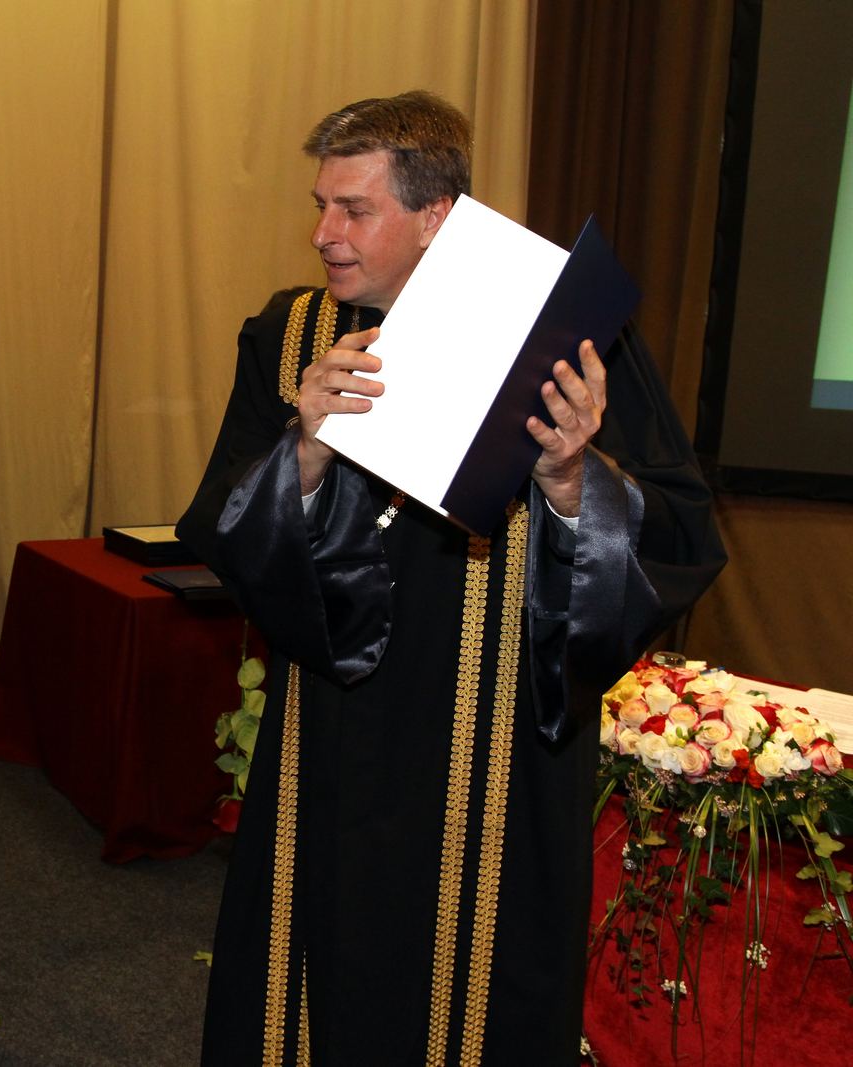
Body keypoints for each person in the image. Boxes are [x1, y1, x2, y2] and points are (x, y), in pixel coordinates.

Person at [177, 91, 726, 1066]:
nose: (322, 233)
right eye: (320, 205)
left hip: (499, 744)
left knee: (477, 998)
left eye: (354, 210)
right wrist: (303, 450)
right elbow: (223, 526)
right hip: (333, 734)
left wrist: (571, 481)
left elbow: (680, 533)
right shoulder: (291, 339)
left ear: (437, 216)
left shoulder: (570, 339)